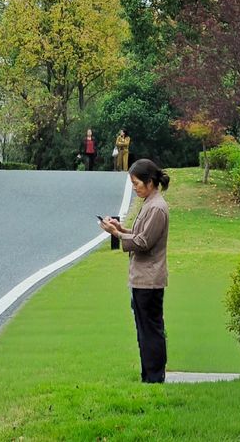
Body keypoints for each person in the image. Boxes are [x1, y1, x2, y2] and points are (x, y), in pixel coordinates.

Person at [100, 159, 170, 383]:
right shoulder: (150, 203)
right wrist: (121, 228)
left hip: (149, 280)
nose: (134, 187)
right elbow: (141, 233)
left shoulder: (157, 207)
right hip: (142, 278)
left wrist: (117, 234)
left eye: (137, 183)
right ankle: (149, 374)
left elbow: (143, 242)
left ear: (150, 182)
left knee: (150, 330)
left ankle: (154, 376)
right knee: (145, 329)